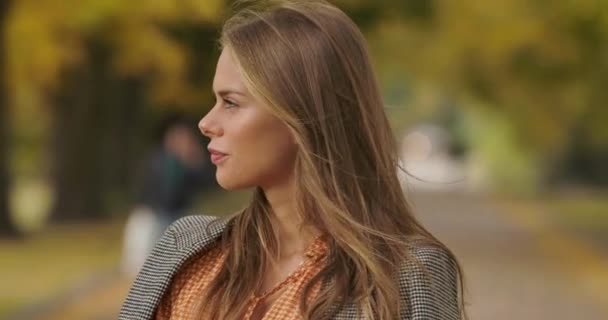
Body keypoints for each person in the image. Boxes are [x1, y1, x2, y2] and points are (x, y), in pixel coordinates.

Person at [119, 1, 466, 319]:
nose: (206, 124)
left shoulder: (407, 276)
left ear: (299, 116)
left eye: (231, 103)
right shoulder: (186, 251)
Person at [121, 115, 216, 276]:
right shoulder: (158, 159)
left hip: (176, 217)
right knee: (139, 266)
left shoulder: (190, 164)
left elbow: (207, 184)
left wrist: (195, 164)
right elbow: (160, 192)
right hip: (151, 216)